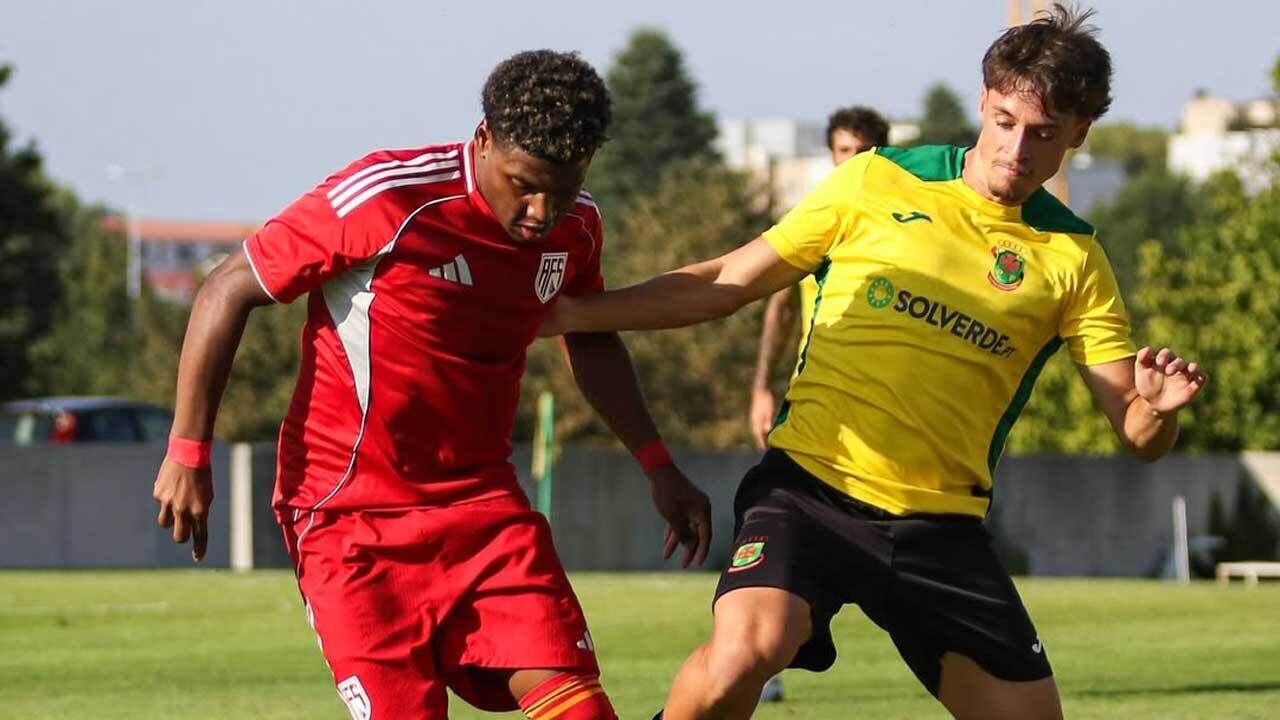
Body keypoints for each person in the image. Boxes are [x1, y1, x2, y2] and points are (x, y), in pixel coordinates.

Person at [542, 6, 1209, 719]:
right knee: (745, 652)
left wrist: (1159, 411)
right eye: (1006, 121)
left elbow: (1137, 434)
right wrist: (574, 313)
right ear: (984, 101)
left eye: (1045, 135)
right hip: (808, 493)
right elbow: (725, 282)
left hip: (939, 527)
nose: (1017, 150)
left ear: (1079, 134)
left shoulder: (1075, 260)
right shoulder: (876, 181)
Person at [151, 49, 712, 720]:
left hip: (484, 511)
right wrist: (188, 451)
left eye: (561, 189)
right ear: (482, 141)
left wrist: (657, 463)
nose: (540, 211)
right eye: (523, 183)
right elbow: (228, 287)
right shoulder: (388, 197)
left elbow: (585, 333)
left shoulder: (578, 227)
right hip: (348, 517)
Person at [750, 106, 891, 449]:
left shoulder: (905, 224)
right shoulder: (810, 219)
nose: (853, 161)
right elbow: (781, 307)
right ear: (831, 155)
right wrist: (762, 387)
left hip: (886, 398)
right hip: (812, 391)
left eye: (863, 152)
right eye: (844, 151)